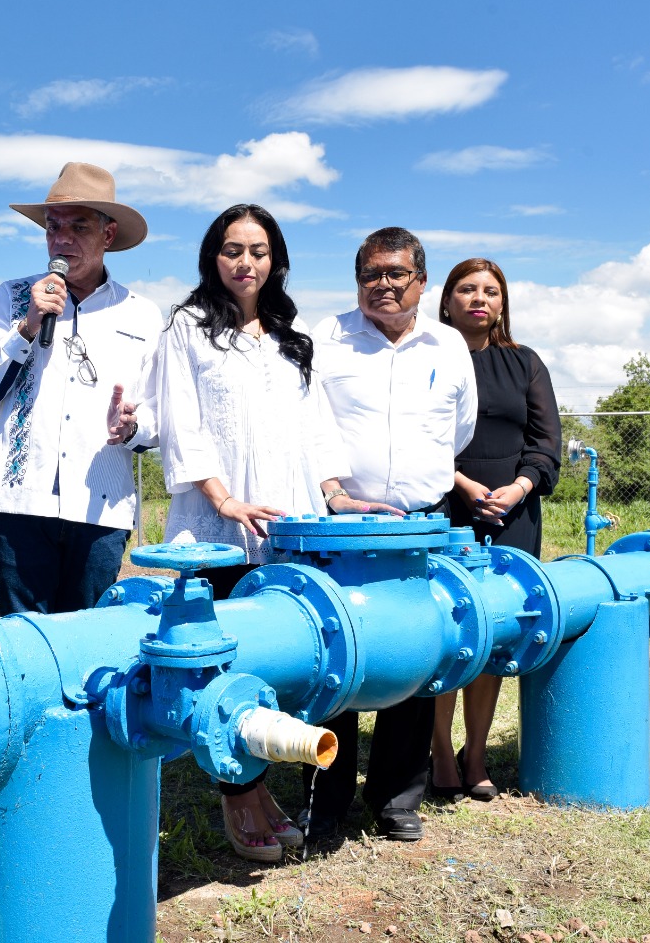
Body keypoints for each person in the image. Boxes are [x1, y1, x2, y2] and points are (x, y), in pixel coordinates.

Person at [151, 203, 396, 863]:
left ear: (275, 261)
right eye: (232, 249)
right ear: (213, 257)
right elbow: (181, 421)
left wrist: (340, 496)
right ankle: (243, 800)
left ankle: (289, 797)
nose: (245, 262)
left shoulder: (292, 339)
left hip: (289, 529)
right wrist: (223, 498)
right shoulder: (188, 329)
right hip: (218, 527)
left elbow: (317, 434)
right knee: (231, 665)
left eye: (258, 251)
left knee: (292, 656)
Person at [304, 227, 478, 844]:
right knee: (334, 659)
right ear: (357, 281)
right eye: (371, 274)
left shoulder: (450, 345)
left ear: (421, 282)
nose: (383, 284)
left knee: (415, 653)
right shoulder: (326, 339)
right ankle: (324, 805)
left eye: (396, 274)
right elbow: (308, 422)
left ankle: (398, 798)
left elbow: (460, 430)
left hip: (422, 523)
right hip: (339, 525)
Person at [0, 162, 162, 615]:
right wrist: (27, 327)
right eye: (53, 227)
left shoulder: (141, 314)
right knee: (25, 645)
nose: (62, 238)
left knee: (90, 643)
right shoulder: (13, 297)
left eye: (79, 226)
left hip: (101, 507)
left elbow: (158, 418)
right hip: (20, 503)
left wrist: (133, 427)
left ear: (108, 236)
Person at [428, 258, 561, 801]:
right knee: (444, 630)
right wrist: (459, 483)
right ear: (447, 299)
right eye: (467, 289)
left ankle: (475, 752)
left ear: (502, 303)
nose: (479, 298)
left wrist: (521, 486)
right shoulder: (427, 358)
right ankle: (438, 749)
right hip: (444, 505)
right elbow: (418, 437)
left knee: (495, 631)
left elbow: (545, 443)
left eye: (490, 291)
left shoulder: (524, 363)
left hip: (512, 513)